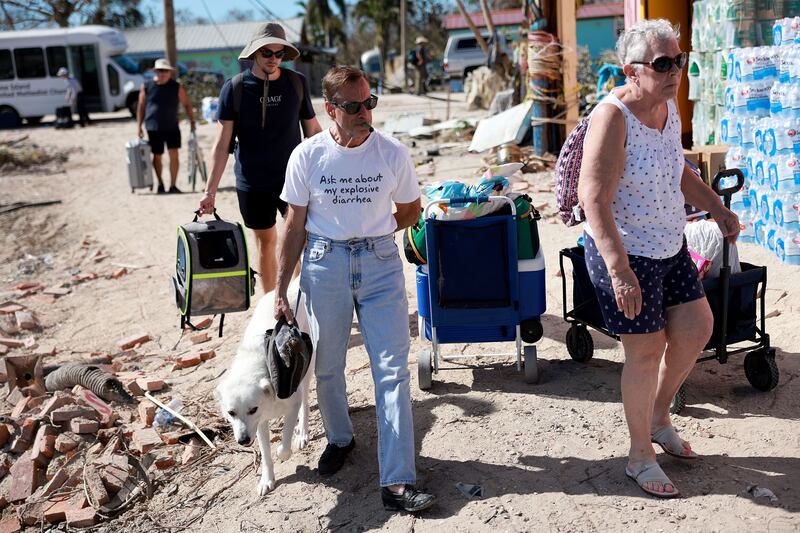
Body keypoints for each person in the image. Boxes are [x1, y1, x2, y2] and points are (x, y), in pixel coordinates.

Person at [577, 19, 740, 498]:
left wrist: (718, 209)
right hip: (627, 253)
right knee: (645, 351)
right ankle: (638, 455)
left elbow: (679, 170)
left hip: (670, 245)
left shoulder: (666, 107)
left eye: (679, 61)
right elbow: (594, 198)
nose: (675, 72)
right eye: (663, 63)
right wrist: (620, 269)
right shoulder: (612, 118)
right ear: (632, 71)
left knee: (696, 328)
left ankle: (658, 416)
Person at [273, 66, 436, 513]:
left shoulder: (392, 153)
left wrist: (373, 235)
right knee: (328, 367)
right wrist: (281, 290)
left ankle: (398, 482)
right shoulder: (307, 156)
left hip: (380, 263)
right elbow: (294, 225)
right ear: (330, 110)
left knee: (392, 370)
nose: (365, 112)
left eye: (370, 102)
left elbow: (409, 211)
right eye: (354, 105)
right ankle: (340, 439)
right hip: (324, 264)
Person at [198, 22, 322, 293]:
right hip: (253, 182)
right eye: (267, 52)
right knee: (265, 243)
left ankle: (301, 300)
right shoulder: (235, 88)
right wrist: (210, 191)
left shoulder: (296, 83)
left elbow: (313, 132)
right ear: (254, 53)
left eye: (279, 54)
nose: (274, 59)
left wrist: (335, 166)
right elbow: (221, 145)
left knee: (301, 241)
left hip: (294, 179)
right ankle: (272, 308)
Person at [136, 58, 195, 194]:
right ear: (155, 71)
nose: (163, 73)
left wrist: (192, 121)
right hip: (153, 127)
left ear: (170, 73)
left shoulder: (176, 86)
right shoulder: (147, 86)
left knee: (174, 154)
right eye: (160, 70)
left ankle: (173, 185)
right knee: (157, 156)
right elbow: (141, 106)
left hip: (172, 126)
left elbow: (186, 104)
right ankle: (161, 184)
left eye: (166, 71)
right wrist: (138, 126)